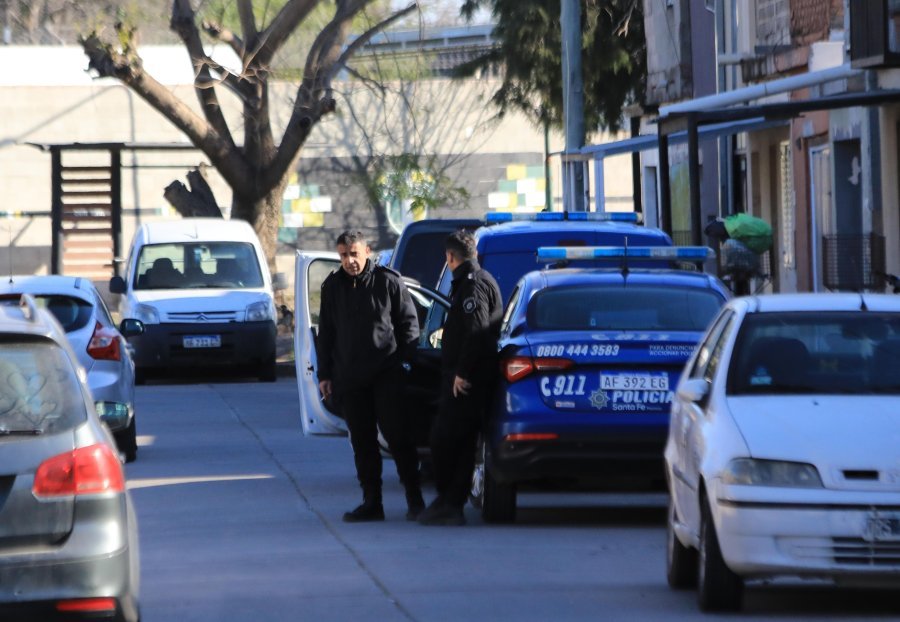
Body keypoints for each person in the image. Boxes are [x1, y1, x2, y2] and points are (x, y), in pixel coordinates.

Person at [316, 230, 425, 522]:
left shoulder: (388, 281)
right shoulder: (333, 286)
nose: (349, 260)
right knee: (363, 443)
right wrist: (324, 374)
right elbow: (326, 333)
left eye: (354, 253)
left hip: (386, 375)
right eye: (343, 255)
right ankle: (372, 502)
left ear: (367, 251)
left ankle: (415, 500)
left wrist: (403, 364)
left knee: (398, 438)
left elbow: (409, 327)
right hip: (351, 378)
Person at [418, 229, 502, 526]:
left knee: (446, 442)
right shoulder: (474, 281)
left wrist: (462, 372)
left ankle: (450, 502)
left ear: (449, 257)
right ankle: (449, 502)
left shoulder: (472, 285)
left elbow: (477, 332)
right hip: (465, 378)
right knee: (459, 443)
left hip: (467, 381)